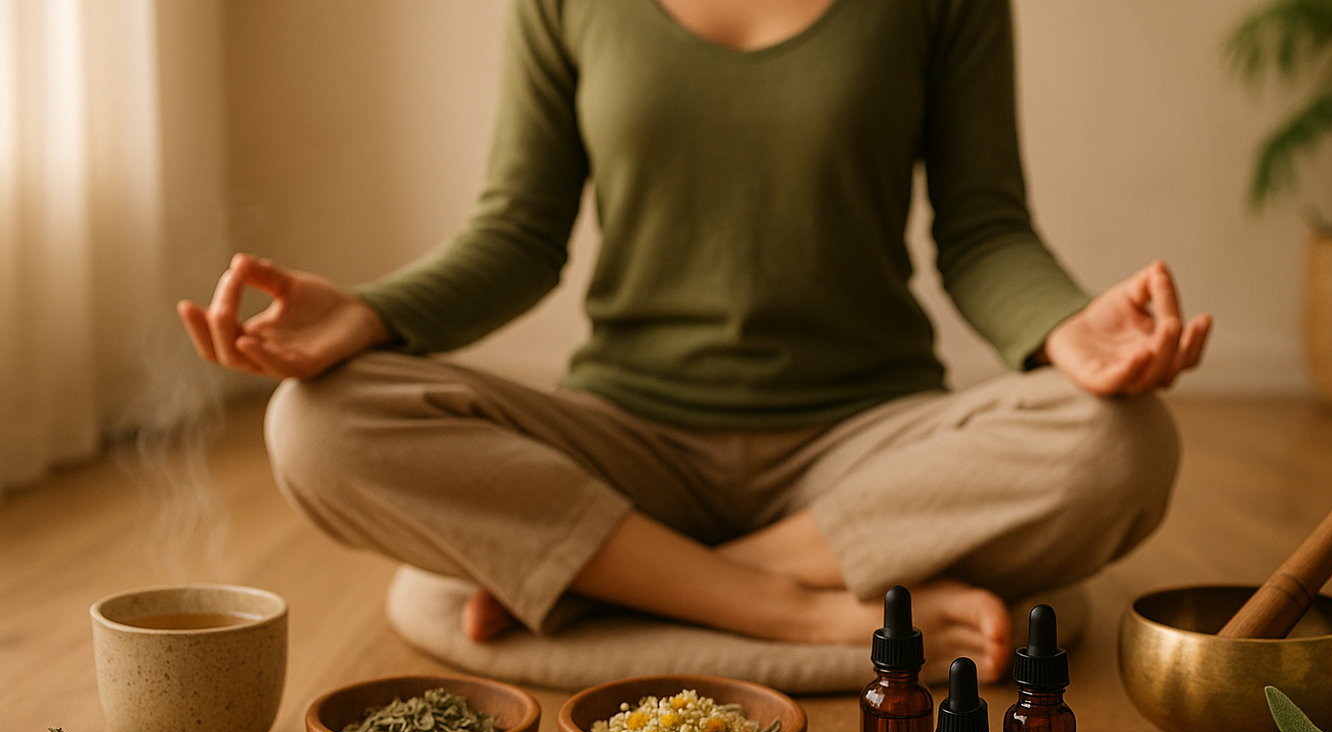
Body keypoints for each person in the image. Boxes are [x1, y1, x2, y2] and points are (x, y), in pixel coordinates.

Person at [179, 0, 1210, 682]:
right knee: (317, 422)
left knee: (1122, 442)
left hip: (866, 451)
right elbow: (518, 236)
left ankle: (616, 573)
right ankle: (787, 607)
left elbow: (983, 230)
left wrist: (1070, 328)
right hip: (630, 441)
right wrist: (371, 312)